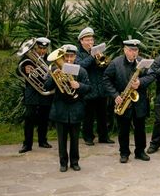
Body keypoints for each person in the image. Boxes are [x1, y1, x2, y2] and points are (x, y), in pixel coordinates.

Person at [103, 39, 154, 163]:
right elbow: (106, 79)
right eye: (131, 50)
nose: (134, 53)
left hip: (139, 101)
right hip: (123, 101)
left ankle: (140, 151)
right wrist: (115, 95)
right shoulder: (116, 63)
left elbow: (152, 75)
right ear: (125, 50)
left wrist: (140, 82)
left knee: (140, 128)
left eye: (136, 50)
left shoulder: (143, 62)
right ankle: (124, 153)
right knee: (123, 129)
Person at [45, 44, 90, 172]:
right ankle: (63, 162)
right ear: (63, 57)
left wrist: (79, 85)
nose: (69, 59)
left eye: (72, 56)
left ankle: (75, 162)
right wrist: (54, 76)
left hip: (76, 108)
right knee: (61, 139)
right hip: (61, 108)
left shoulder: (81, 71)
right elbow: (46, 86)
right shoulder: (55, 69)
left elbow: (89, 88)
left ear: (75, 56)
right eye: (66, 57)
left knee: (75, 139)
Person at [75, 27, 114, 146]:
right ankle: (88, 137)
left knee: (103, 115)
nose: (90, 42)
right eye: (87, 40)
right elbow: (81, 67)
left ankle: (104, 136)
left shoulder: (98, 52)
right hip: (88, 88)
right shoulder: (78, 54)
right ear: (81, 41)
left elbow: (105, 68)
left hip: (101, 88)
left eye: (91, 40)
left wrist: (103, 61)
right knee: (88, 116)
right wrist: (92, 57)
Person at [18, 37, 54, 153]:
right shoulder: (28, 57)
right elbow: (17, 70)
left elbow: (53, 73)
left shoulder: (49, 59)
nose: (42, 51)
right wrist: (24, 68)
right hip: (32, 91)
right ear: (35, 47)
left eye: (44, 48)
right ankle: (27, 144)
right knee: (29, 117)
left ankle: (42, 141)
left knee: (44, 117)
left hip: (45, 92)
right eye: (40, 48)